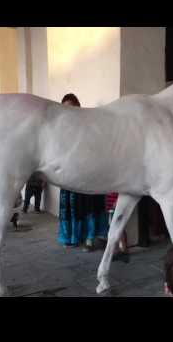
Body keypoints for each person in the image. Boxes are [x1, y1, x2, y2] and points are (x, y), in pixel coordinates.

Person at [57, 93, 109, 252]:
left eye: (72, 108)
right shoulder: (60, 129)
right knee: (71, 205)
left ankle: (90, 238)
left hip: (87, 171)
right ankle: (72, 237)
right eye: (65, 109)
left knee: (89, 204)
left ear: (78, 108)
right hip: (68, 173)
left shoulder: (88, 125)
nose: (69, 112)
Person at [105, 192, 130, 263]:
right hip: (111, 206)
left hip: (115, 206)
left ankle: (124, 251)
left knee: (119, 228)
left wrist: (117, 203)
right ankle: (118, 251)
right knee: (115, 228)